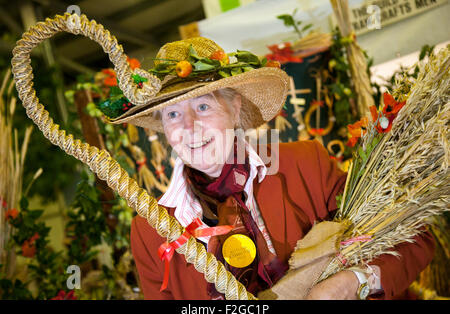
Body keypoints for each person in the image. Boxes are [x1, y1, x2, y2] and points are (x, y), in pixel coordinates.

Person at [108, 37, 435, 300]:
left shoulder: (307, 164)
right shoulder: (150, 231)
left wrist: (351, 283)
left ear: (234, 108)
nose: (189, 126)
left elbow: (412, 238)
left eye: (203, 106)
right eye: (173, 115)